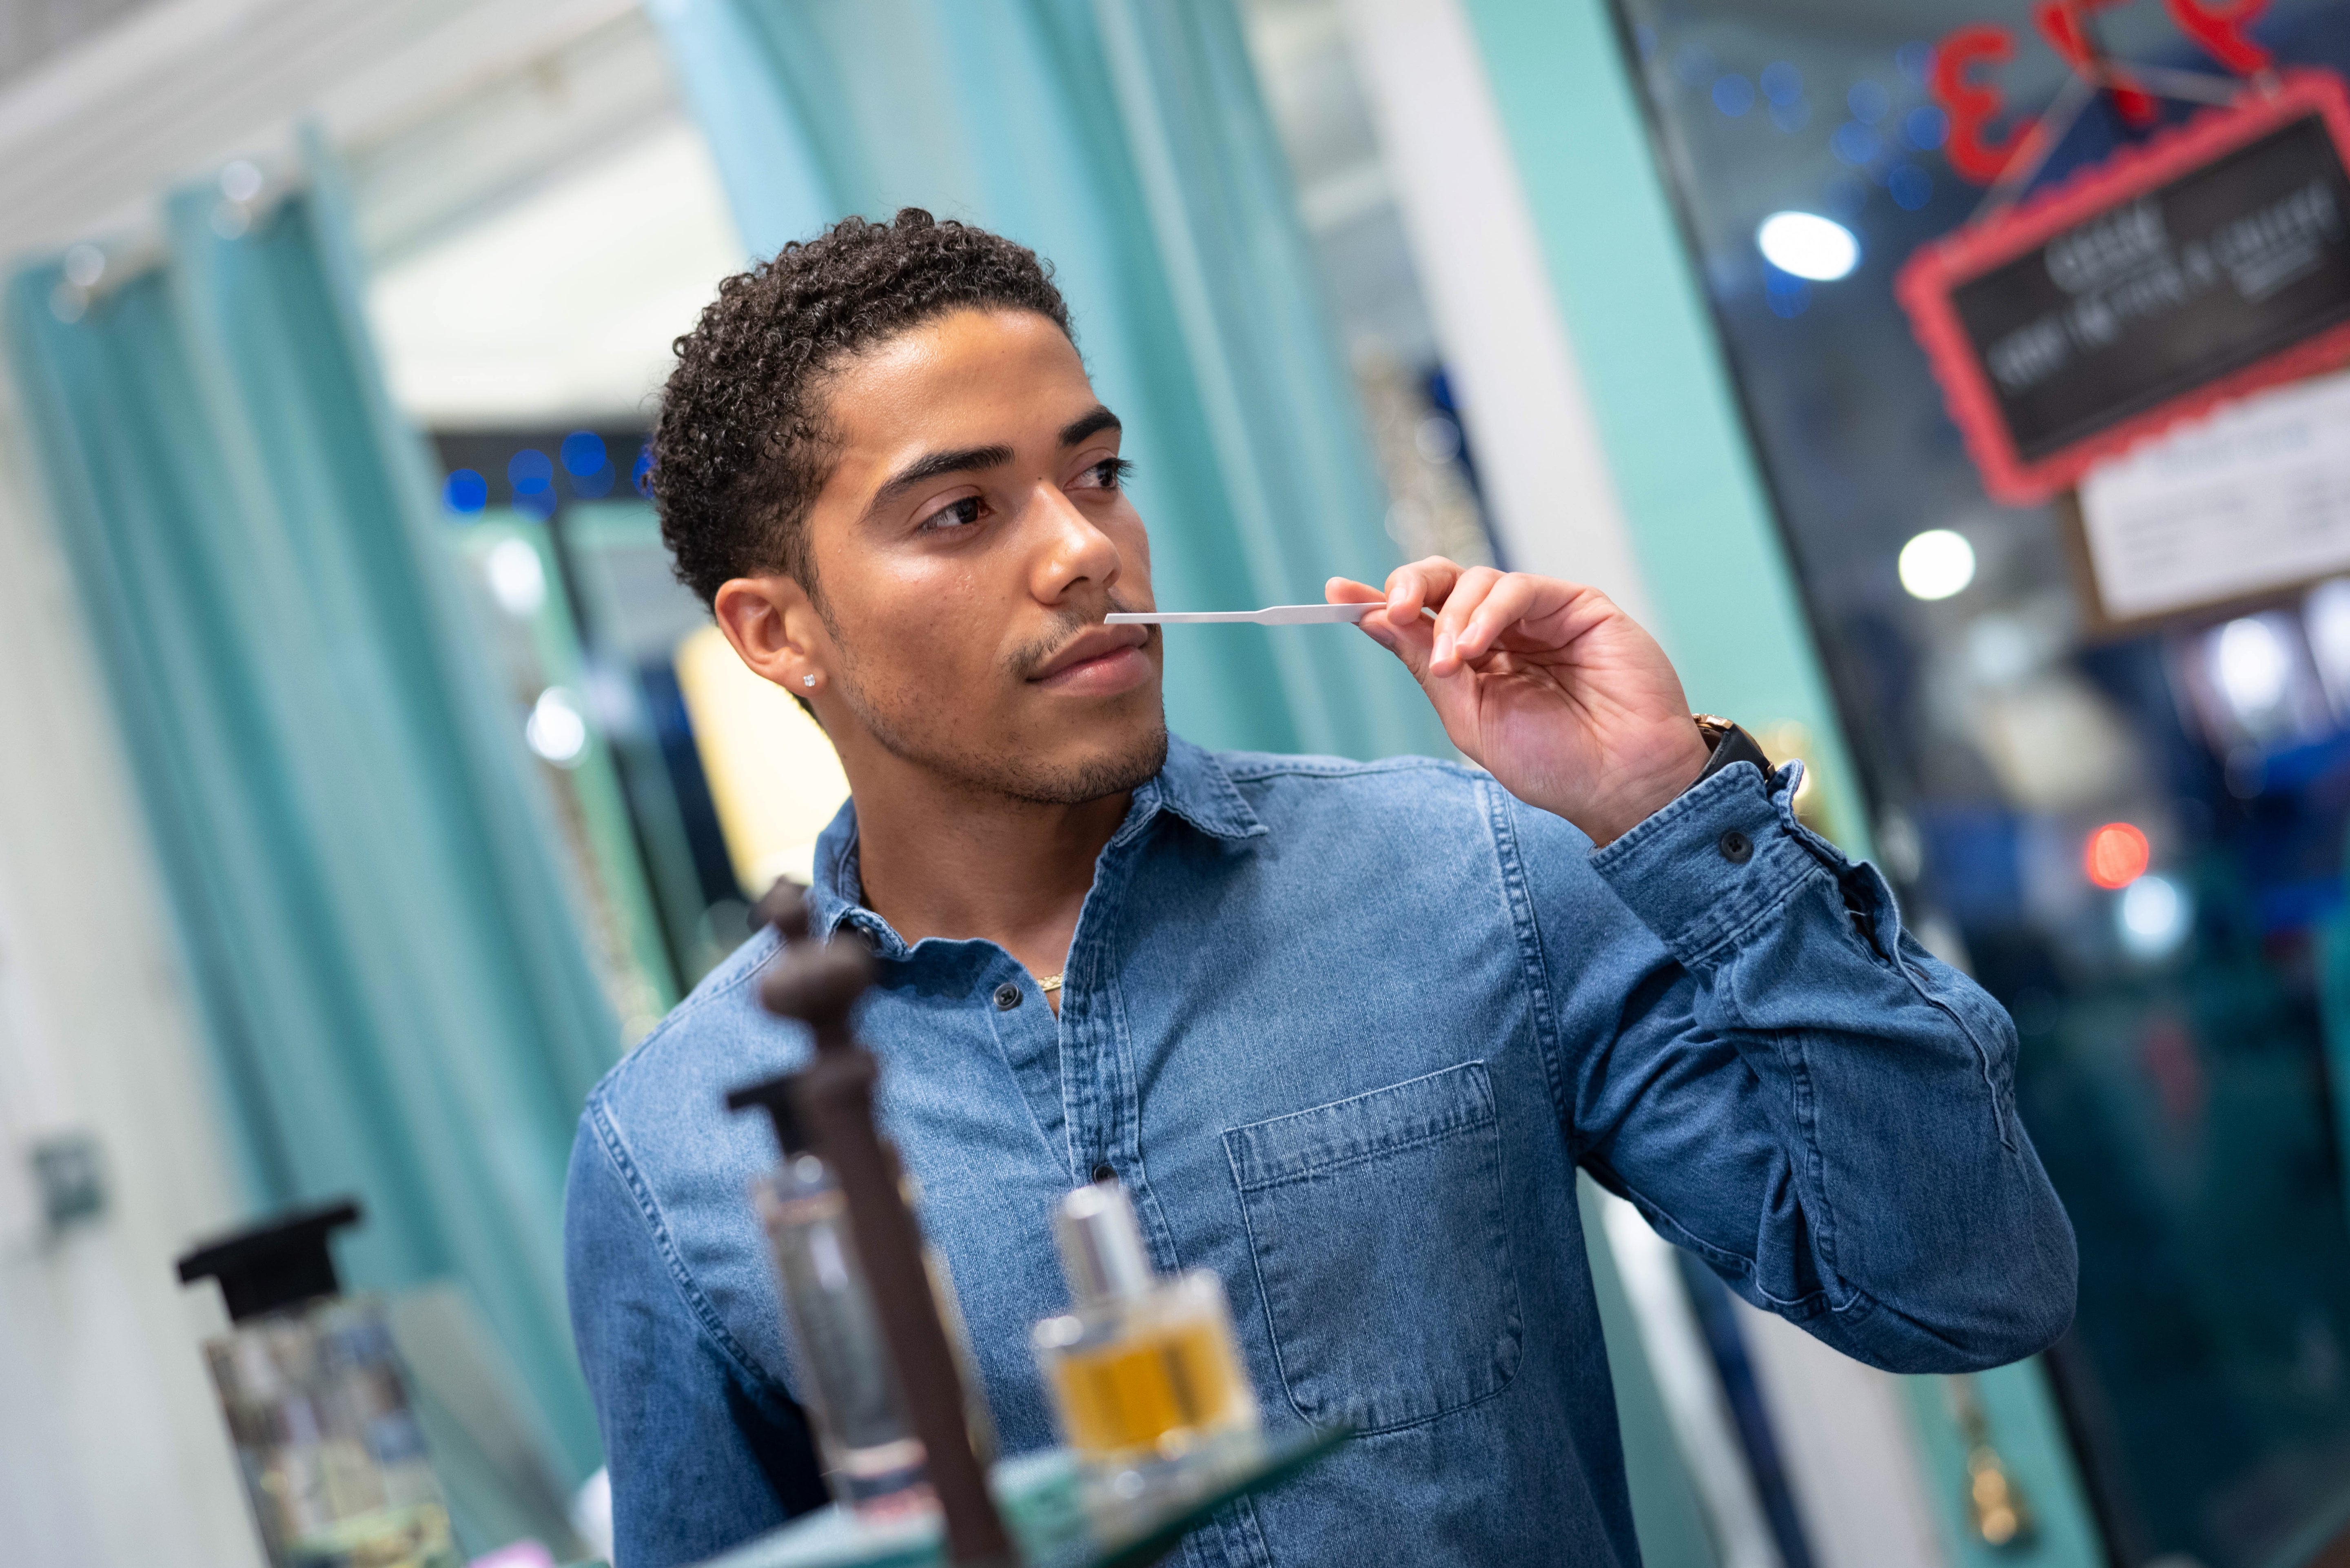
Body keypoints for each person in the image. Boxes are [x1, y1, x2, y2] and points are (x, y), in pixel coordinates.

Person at [563, 209, 2076, 1568]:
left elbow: (1967, 1287)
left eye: (1095, 474)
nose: (1085, 549)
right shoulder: (673, 1148)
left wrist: (1671, 809)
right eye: (963, 512)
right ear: (776, 633)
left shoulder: (1475, 877)